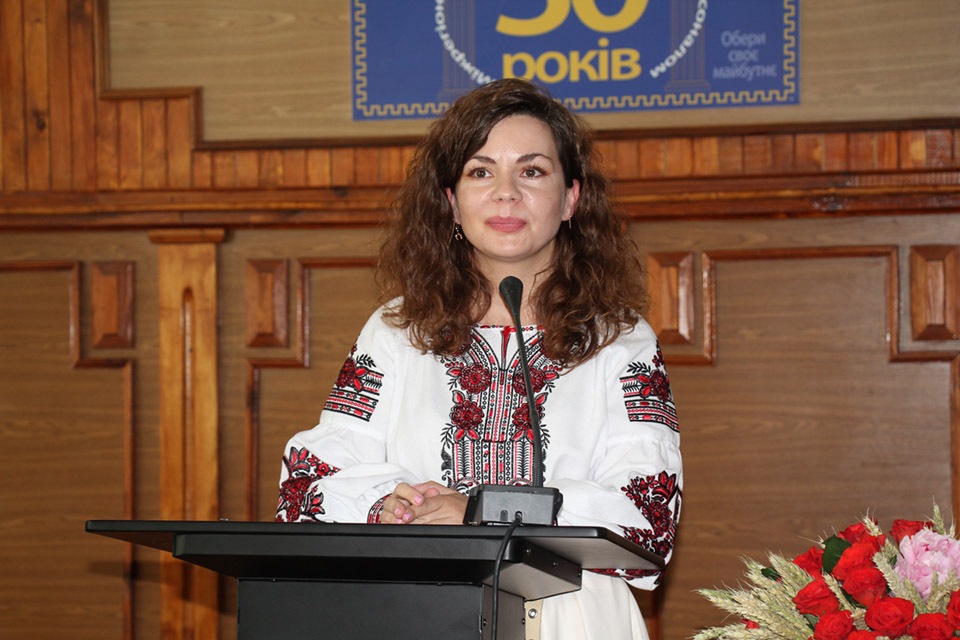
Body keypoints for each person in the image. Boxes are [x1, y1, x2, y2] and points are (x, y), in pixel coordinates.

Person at [275, 78, 682, 640]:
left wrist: (480, 510)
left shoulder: (619, 338)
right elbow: (309, 482)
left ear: (571, 198)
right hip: (420, 612)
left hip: (572, 616)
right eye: (481, 172)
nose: (506, 194)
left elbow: (648, 518)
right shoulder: (397, 329)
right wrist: (389, 505)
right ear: (451, 202)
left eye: (532, 171)